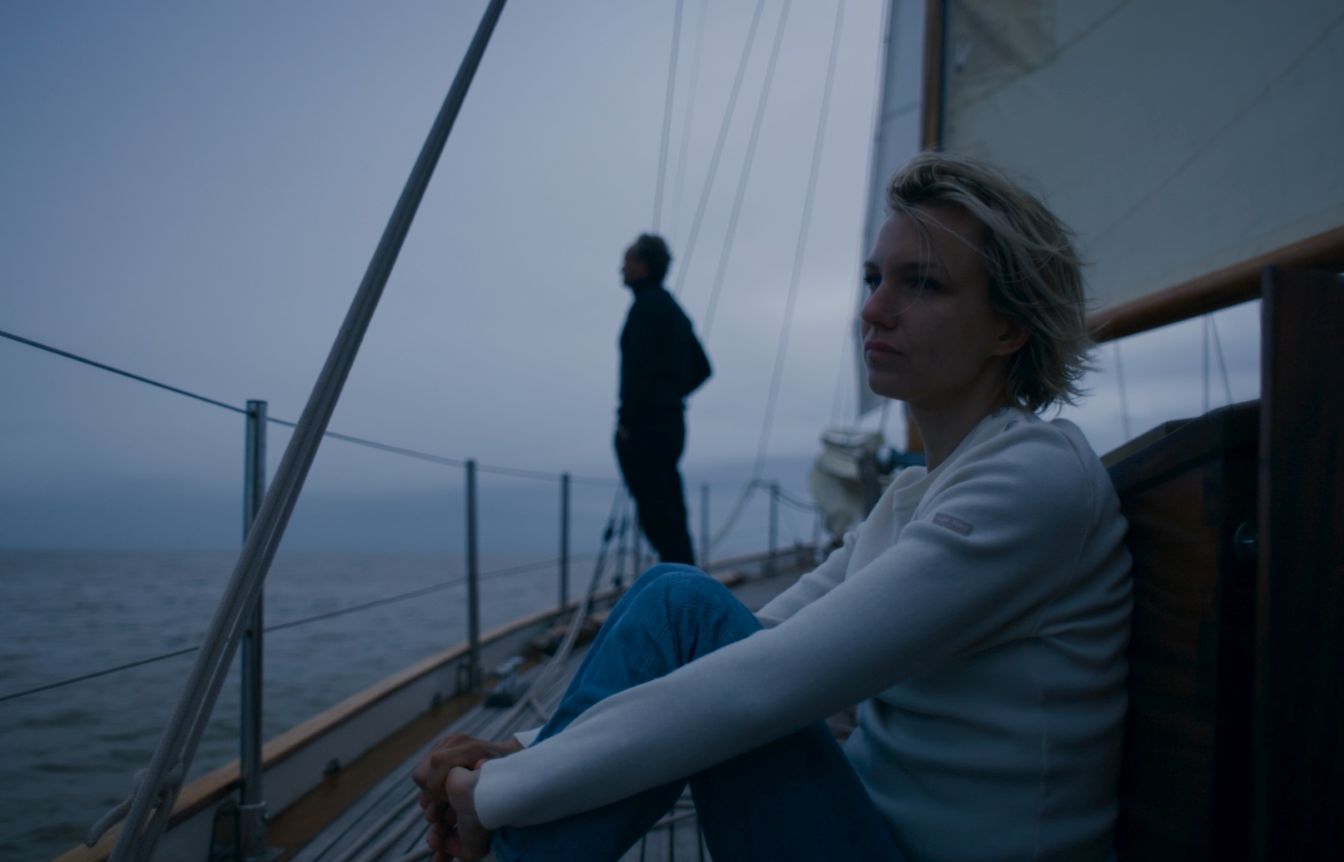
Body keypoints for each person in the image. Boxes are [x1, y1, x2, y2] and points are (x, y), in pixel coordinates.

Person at [413, 152, 1132, 861]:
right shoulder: (911, 496)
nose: (873, 309)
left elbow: (768, 682)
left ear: (1009, 329)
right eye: (874, 278)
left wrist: (498, 793)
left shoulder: (1034, 476)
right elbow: (759, 642)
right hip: (864, 829)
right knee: (679, 601)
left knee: (680, 604)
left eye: (924, 285)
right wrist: (519, 750)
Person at [613, 233, 710, 565]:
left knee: (657, 515)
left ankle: (679, 588)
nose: (620, 269)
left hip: (645, 430)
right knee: (670, 511)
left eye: (626, 262)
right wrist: (670, 395)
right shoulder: (673, 311)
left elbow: (638, 371)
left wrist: (628, 419)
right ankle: (685, 577)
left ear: (642, 266)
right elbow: (702, 368)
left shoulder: (645, 309)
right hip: (671, 426)